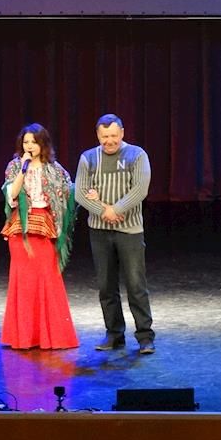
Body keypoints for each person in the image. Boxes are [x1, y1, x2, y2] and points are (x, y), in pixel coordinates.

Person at [75, 114, 155, 354]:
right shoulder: (88, 158)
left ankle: (145, 336)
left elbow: (140, 189)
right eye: (104, 137)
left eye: (113, 136)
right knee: (106, 287)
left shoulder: (137, 155)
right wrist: (104, 212)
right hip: (100, 232)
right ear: (98, 135)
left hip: (129, 231)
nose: (109, 141)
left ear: (122, 133)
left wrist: (116, 210)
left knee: (136, 285)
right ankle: (114, 334)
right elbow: (80, 193)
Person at [0, 123, 79, 350]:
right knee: (23, 281)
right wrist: (23, 170)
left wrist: (86, 193)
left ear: (43, 144)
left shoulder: (54, 169)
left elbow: (69, 191)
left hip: (44, 225)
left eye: (34, 142)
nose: (29, 146)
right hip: (21, 228)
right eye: (26, 142)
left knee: (47, 278)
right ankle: (24, 337)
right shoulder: (15, 166)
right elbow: (11, 195)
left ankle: (52, 337)